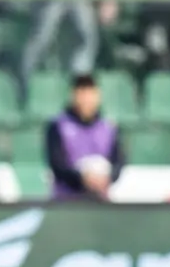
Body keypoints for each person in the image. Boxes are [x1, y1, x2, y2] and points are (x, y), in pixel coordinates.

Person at [45, 72, 121, 200]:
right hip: (67, 202)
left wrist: (107, 178)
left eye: (90, 93)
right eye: (82, 93)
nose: (86, 99)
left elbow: (118, 162)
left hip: (100, 201)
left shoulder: (109, 127)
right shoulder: (58, 126)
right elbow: (57, 165)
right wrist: (82, 179)